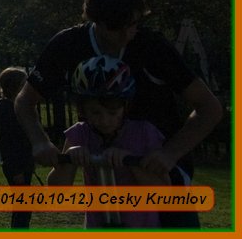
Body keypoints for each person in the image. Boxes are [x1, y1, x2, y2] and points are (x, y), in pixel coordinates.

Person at [15, 0, 222, 228]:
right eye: (116, 27)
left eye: (133, 24)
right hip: (104, 179)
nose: (127, 34)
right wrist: (40, 142)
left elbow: (209, 108)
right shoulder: (68, 45)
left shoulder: (152, 47)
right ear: (95, 20)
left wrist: (169, 153)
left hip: (158, 175)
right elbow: (25, 100)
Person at [46, 55, 168, 228]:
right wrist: (70, 157)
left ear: (125, 107)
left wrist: (131, 162)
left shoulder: (144, 133)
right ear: (82, 110)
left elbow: (163, 192)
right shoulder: (80, 133)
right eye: (95, 113)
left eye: (112, 113)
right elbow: (57, 189)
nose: (104, 120)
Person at [0, 66, 35, 229]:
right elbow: (6, 144)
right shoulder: (5, 112)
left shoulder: (16, 108)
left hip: (24, 162)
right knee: (22, 208)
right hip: (16, 165)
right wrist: (16, 171)